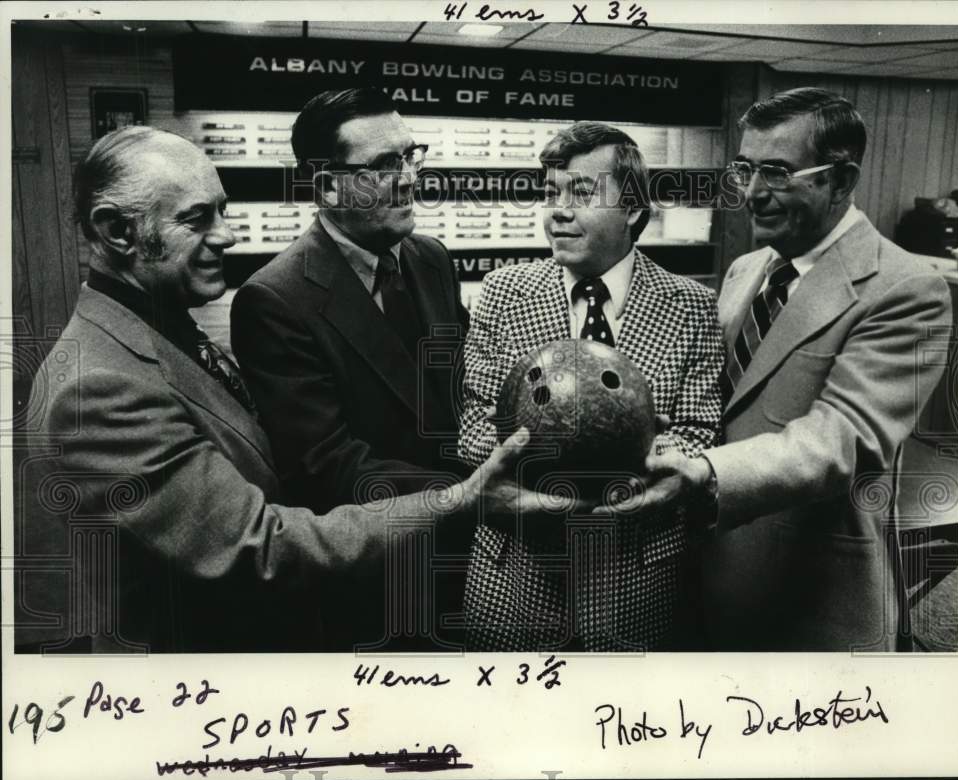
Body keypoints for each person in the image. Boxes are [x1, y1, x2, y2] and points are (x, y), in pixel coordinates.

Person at [21, 126, 563, 654]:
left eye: (223, 211)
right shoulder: (95, 391)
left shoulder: (159, 328)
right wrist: (461, 499)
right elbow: (263, 546)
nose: (227, 236)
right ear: (117, 232)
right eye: (196, 219)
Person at [605, 88, 953, 652]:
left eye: (777, 172)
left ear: (841, 180)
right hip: (704, 580)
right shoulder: (749, 269)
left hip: (809, 603)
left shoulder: (906, 288)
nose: (753, 193)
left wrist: (705, 472)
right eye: (745, 169)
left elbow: (843, 439)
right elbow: (721, 398)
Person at [459, 122, 725, 651]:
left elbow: (699, 432)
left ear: (631, 208)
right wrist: (576, 467)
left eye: (581, 193)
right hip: (517, 574)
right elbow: (472, 428)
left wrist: (644, 468)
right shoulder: (502, 293)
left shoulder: (691, 306)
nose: (558, 210)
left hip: (636, 576)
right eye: (550, 193)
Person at [230, 88, 468, 513]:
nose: (410, 179)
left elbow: (464, 389)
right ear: (328, 189)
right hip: (381, 554)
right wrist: (472, 493)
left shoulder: (433, 259)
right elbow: (325, 466)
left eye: (411, 156)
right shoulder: (273, 302)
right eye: (383, 166)